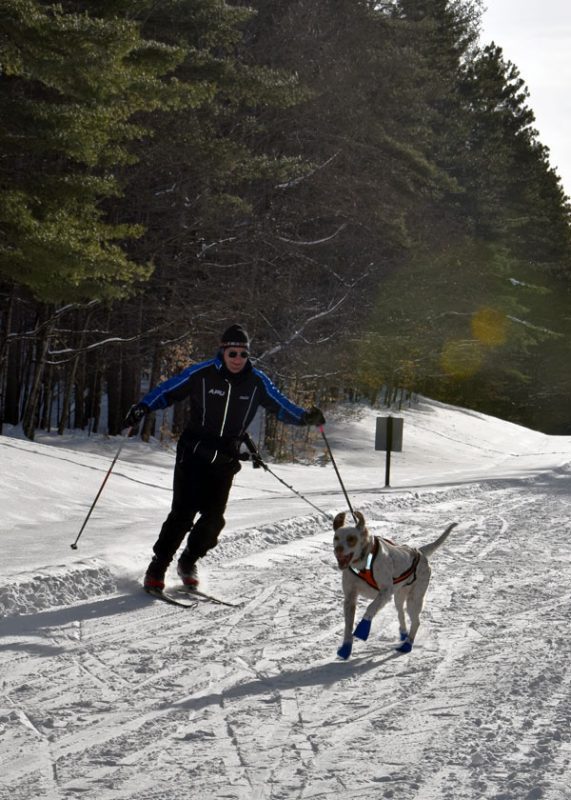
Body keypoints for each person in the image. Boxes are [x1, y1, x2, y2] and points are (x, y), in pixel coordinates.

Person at [124, 324, 325, 592]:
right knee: (183, 515)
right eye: (233, 353)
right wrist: (143, 406)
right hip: (193, 452)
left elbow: (281, 406)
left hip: (225, 457)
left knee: (214, 520)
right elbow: (169, 390)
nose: (238, 359)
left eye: (243, 354)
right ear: (223, 351)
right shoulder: (202, 374)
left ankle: (188, 561)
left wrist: (305, 418)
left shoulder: (257, 382)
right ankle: (157, 567)